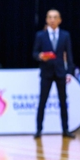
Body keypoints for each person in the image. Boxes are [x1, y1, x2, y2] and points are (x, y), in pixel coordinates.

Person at [32, 9, 76, 139]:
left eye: (55, 17)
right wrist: (40, 56)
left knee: (63, 101)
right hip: (46, 73)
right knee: (42, 101)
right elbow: (34, 53)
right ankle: (39, 129)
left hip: (60, 73)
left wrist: (69, 72)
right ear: (46, 20)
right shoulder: (40, 35)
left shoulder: (65, 35)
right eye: (50, 17)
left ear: (60, 20)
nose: (52, 20)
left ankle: (65, 129)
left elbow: (69, 55)